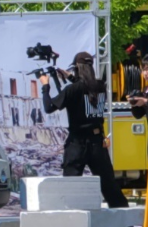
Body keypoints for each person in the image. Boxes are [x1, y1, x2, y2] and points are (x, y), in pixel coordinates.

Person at [40, 52, 129, 208]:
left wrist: (45, 86)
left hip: (77, 143)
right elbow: (84, 86)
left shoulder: (72, 90)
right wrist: (69, 76)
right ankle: (123, 213)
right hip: (97, 142)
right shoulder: (100, 86)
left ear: (76, 68)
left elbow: (49, 107)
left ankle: (72, 216)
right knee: (108, 184)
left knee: (71, 184)